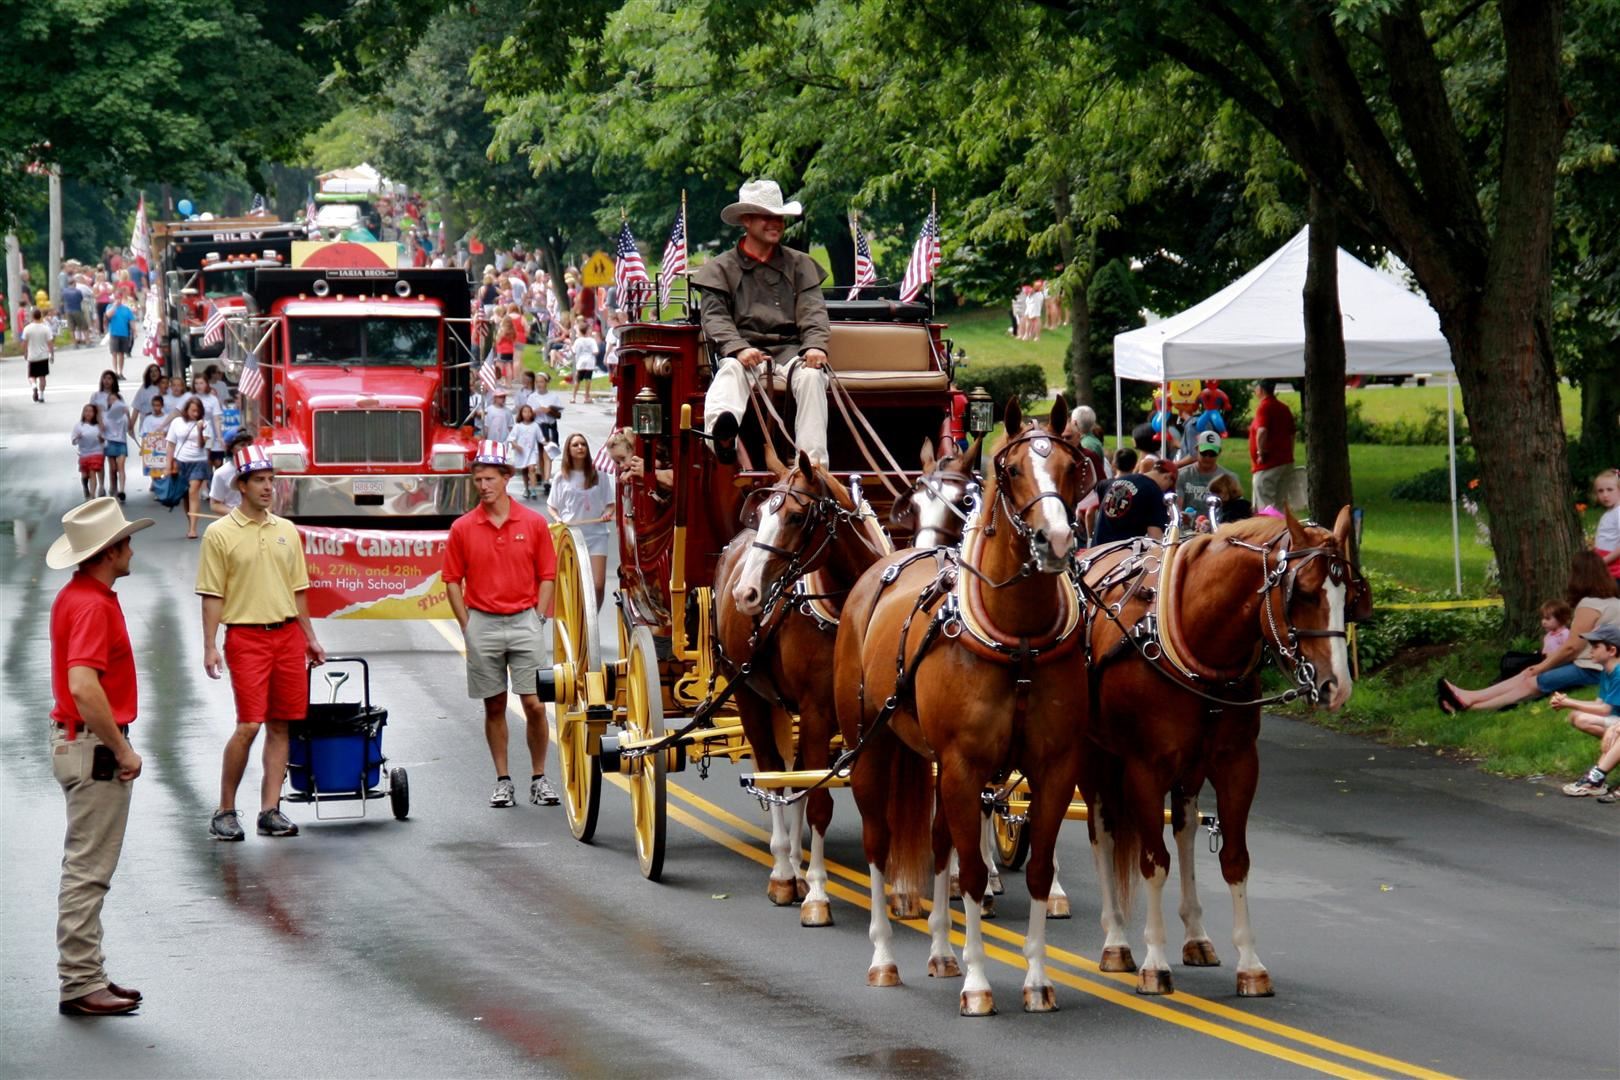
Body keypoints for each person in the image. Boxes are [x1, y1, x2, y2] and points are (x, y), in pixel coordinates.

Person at [45, 498, 152, 1016]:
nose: (132, 549)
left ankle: (88, 974)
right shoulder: (92, 604)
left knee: (84, 865)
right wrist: (122, 748)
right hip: (92, 745)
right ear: (109, 552)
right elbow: (84, 686)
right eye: (126, 542)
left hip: (78, 741)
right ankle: (81, 982)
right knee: (88, 870)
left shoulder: (81, 595)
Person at [196, 445, 326, 841]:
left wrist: (310, 637)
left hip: (287, 636)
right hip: (246, 637)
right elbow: (212, 594)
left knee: (282, 725)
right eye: (260, 481)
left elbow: (298, 590)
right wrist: (210, 644)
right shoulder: (219, 534)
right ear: (241, 485)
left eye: (271, 480)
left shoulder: (286, 531)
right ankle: (225, 809)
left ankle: (270, 809)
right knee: (249, 724)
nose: (268, 488)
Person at [442, 441, 559, 809]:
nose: (484, 486)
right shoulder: (462, 528)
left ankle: (539, 777)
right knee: (494, 705)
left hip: (525, 620)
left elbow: (548, 574)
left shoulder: (534, 522)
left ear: (507, 478)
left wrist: (538, 617)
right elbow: (451, 580)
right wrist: (467, 625)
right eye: (478, 480)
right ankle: (503, 779)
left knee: (535, 704)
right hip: (484, 623)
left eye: (490, 478)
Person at [692, 179, 832, 467]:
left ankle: (812, 466)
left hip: (792, 354)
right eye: (767, 216)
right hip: (746, 357)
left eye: (779, 217)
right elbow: (715, 318)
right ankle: (721, 437)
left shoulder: (801, 265)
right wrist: (738, 348)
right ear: (746, 220)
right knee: (729, 371)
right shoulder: (719, 269)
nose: (776, 223)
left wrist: (815, 347)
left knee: (813, 378)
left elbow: (814, 312)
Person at [1439, 552, 1620, 713]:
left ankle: (1471, 707)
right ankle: (1469, 697)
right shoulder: (1614, 601)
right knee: (1527, 674)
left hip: (1591, 668)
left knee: (1531, 680)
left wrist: (1542, 667)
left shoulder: (1589, 605)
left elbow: (1572, 648)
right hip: (1602, 665)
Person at [548, 433, 615, 610]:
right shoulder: (561, 478)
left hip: (597, 535)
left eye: (583, 444)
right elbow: (552, 506)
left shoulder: (599, 475)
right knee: (574, 582)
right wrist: (558, 519)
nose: (580, 448)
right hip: (572, 534)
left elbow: (610, 504)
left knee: (598, 584)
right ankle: (577, 615)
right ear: (568, 450)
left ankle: (592, 618)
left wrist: (607, 514)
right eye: (575, 445)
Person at [1551, 625, 1620, 796]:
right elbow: (1599, 704)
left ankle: (1595, 779)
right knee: (1578, 717)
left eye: (1596, 647)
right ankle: (1597, 778)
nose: (1591, 651)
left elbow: (1604, 710)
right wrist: (1567, 702)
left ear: (1611, 650)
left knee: (1615, 733)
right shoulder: (1608, 671)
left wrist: (1569, 702)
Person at [1089, 455, 1173, 546]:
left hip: (1096, 550)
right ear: (1167, 477)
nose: (1164, 491)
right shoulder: (1154, 491)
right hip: (1122, 553)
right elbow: (1155, 537)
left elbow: (1090, 511)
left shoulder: (1118, 481)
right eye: (1168, 488)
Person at [165, 397, 213, 539]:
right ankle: (190, 522)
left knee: (193, 492)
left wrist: (199, 430)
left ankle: (193, 529)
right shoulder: (176, 423)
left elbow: (202, 445)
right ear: (186, 410)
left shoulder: (205, 424)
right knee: (186, 495)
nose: (195, 413)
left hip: (199, 462)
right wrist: (168, 466)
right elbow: (171, 444)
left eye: (198, 411)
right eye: (192, 410)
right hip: (181, 462)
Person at [1249, 379, 1296, 510]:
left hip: (1268, 464)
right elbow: (1292, 434)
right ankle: (1281, 528)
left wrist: (1260, 452)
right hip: (1285, 462)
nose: (1255, 391)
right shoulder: (1283, 408)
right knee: (1280, 504)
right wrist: (1289, 453)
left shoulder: (1264, 406)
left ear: (1261, 390)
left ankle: (1269, 529)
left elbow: (1262, 430)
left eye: (1256, 388)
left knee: (1265, 505)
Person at [1175, 431, 1239, 522]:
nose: (1207, 457)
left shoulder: (1229, 479)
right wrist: (1182, 516)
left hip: (1217, 528)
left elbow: (1235, 511)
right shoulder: (1182, 475)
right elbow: (1178, 507)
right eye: (1204, 453)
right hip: (1187, 529)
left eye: (1212, 454)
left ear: (1219, 453)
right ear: (1197, 450)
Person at [208, 432, 257, 516]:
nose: (247, 448)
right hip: (233, 521)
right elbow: (215, 504)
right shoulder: (221, 473)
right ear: (230, 448)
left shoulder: (259, 468)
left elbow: (271, 496)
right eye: (242, 445)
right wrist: (237, 514)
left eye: (249, 444)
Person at [101, 390, 131, 503]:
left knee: (121, 466)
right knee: (113, 469)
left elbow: (130, 427)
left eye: (115, 400)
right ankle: (114, 489)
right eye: (111, 400)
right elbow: (103, 428)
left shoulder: (123, 413)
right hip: (110, 442)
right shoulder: (105, 414)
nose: (113, 402)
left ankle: (122, 490)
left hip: (121, 442)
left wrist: (127, 414)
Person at [72, 404, 107, 499]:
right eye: (86, 411)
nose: (88, 413)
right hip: (84, 453)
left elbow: (104, 440)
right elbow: (73, 441)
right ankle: (85, 487)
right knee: (85, 475)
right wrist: (77, 437)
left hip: (97, 452)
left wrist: (101, 439)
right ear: (83, 413)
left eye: (90, 411)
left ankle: (92, 495)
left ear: (94, 414)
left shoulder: (99, 426)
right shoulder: (79, 426)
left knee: (93, 472)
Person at [1591, 468, 1619, 580]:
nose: (1605, 495)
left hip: (1616, 569)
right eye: (1600, 491)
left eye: (1610, 489)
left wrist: (1603, 561)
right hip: (1607, 568)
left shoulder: (1619, 512)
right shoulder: (1611, 512)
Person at [509, 404, 542, 499]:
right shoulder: (518, 426)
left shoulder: (535, 426)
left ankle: (533, 489)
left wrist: (547, 443)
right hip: (521, 453)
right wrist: (516, 446)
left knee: (532, 468)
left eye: (529, 412)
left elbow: (540, 438)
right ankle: (526, 488)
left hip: (532, 451)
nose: (527, 414)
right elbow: (511, 438)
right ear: (521, 414)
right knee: (524, 470)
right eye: (525, 412)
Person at [24, 307, 55, 403]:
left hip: (32, 356)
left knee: (31, 375)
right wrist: (52, 354)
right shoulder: (46, 329)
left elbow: (25, 342)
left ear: (32, 316)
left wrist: (25, 353)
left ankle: (34, 386)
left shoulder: (27, 329)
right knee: (42, 377)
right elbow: (50, 343)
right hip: (43, 356)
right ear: (40, 316)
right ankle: (41, 395)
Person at [106, 294, 137, 379]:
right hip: (114, 333)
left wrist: (134, 330)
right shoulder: (110, 307)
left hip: (124, 333)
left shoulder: (126, 309)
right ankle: (115, 372)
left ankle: (120, 372)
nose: (118, 300)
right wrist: (114, 306)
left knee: (121, 354)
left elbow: (131, 320)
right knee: (114, 353)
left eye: (119, 298)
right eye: (116, 298)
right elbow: (108, 315)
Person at [570, 327, 599, 404]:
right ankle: (586, 397)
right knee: (588, 379)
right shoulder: (592, 340)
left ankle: (573, 397)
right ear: (587, 331)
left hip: (580, 362)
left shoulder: (578, 341)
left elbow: (573, 351)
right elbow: (595, 352)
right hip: (590, 362)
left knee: (578, 380)